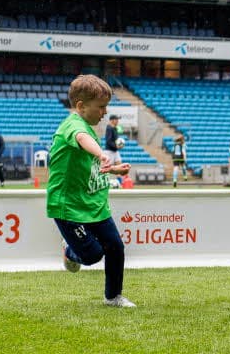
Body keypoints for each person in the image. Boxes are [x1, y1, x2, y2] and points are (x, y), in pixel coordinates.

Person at [46, 74, 135, 308]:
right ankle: (70, 251)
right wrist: (101, 153)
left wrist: (113, 169)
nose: (105, 112)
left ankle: (113, 296)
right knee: (92, 256)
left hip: (94, 203)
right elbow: (82, 138)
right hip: (69, 206)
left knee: (115, 247)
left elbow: (89, 167)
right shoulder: (73, 125)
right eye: (101, 107)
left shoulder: (87, 125)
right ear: (81, 106)